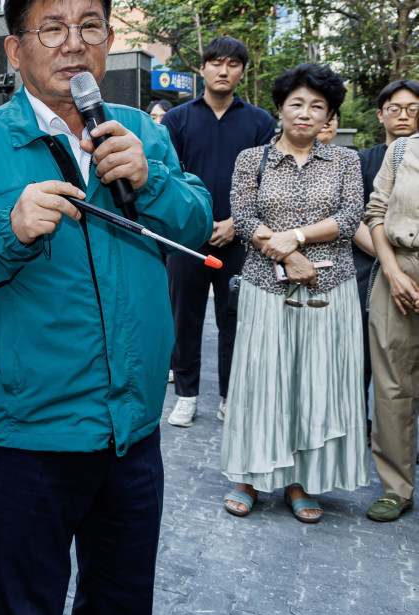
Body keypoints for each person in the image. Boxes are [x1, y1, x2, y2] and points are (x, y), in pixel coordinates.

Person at [0, 0, 212, 615]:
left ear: (107, 40)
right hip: (26, 440)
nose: (73, 42)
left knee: (120, 613)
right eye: (50, 28)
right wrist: (6, 229)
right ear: (14, 49)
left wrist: (153, 181)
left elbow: (196, 223)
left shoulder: (139, 128)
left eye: (89, 25)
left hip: (130, 434)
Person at [220, 63, 369, 523]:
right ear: (280, 108)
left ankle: (300, 481)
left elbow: (349, 218)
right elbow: (243, 219)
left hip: (331, 290)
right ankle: (248, 475)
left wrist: (297, 238)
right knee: (261, 382)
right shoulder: (252, 159)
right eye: (297, 104)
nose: (305, 114)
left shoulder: (346, 161)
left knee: (313, 383)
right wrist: (286, 256)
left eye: (317, 107)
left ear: (329, 116)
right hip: (267, 287)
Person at [159, 38, 276, 428]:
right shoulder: (177, 120)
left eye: (232, 64)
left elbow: (266, 182)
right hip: (188, 236)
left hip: (242, 239)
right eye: (216, 63)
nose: (223, 70)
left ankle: (230, 395)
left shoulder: (259, 122)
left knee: (235, 318)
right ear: (203, 69)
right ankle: (186, 395)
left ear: (243, 70)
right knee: (184, 317)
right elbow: (168, 177)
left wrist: (235, 224)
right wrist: (198, 221)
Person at [364, 89, 419, 522]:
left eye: (413, 107)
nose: (407, 114)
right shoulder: (400, 151)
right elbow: (375, 212)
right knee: (391, 385)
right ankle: (396, 488)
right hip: (396, 269)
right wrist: (393, 272)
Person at [354, 81, 419, 436]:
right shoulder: (364, 160)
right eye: (395, 108)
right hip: (369, 268)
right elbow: (356, 215)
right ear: (381, 114)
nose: (404, 115)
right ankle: (362, 426)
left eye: (412, 108)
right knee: (367, 355)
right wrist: (390, 260)